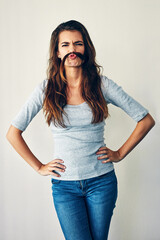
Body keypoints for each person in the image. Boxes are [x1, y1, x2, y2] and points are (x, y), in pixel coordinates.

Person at [6, 20, 155, 240]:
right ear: (57, 52)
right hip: (64, 187)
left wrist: (120, 153)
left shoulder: (102, 85)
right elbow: (13, 133)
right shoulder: (46, 89)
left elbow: (145, 119)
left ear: (86, 48)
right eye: (65, 45)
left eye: (78, 43)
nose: (72, 49)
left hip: (101, 182)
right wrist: (39, 166)